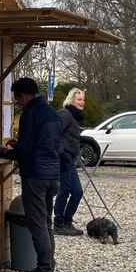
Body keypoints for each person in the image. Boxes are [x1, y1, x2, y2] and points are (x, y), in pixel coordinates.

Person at [0, 77, 62, 272]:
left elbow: (25, 150)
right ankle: (49, 266)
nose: (18, 104)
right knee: (47, 222)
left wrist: (8, 152)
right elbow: (47, 143)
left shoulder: (30, 113)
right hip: (53, 174)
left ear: (24, 95)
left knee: (37, 225)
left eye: (17, 100)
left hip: (35, 175)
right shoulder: (53, 113)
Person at [53, 88, 87, 236]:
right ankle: (59, 223)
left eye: (83, 100)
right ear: (71, 100)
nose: (82, 102)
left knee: (78, 192)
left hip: (71, 159)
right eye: (79, 99)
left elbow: (71, 136)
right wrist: (62, 154)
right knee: (65, 190)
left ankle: (67, 221)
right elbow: (55, 134)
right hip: (63, 159)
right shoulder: (65, 114)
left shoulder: (74, 116)